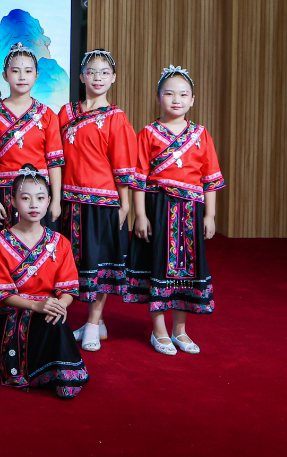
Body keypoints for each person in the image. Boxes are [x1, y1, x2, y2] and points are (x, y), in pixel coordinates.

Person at [126, 66, 224, 356]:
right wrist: (140, 215)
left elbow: (210, 179)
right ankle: (159, 330)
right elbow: (139, 179)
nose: (176, 100)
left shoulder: (201, 135)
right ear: (158, 98)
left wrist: (209, 215)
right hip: (158, 208)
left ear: (192, 100)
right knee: (157, 266)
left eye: (183, 94)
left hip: (190, 212)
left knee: (187, 271)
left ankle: (179, 330)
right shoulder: (148, 133)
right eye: (169, 94)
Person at [58, 49, 136, 352]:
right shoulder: (66, 113)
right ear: (81, 77)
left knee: (100, 264)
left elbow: (123, 164)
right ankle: (95, 322)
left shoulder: (116, 117)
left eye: (104, 72)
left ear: (113, 78)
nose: (98, 77)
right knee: (74, 265)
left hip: (103, 202)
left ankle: (93, 322)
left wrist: (125, 205)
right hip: (69, 201)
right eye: (91, 71)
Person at [0, 166, 88, 399]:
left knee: (55, 317)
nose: (34, 204)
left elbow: (68, 288)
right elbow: (3, 295)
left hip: (47, 311)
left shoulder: (60, 242)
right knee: (46, 315)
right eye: (25, 198)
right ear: (13, 201)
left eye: (41, 198)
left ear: (49, 201)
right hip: (12, 314)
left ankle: (62, 373)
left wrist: (60, 304)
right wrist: (36, 305)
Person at [0, 43, 64, 288]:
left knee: (39, 258)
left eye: (28, 71)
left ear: (36, 75)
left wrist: (56, 199)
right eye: (15, 71)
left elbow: (54, 162)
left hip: (38, 195)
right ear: (5, 75)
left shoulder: (47, 115)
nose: (22, 76)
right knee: (4, 259)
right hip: (5, 194)